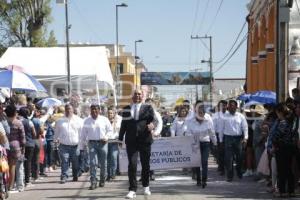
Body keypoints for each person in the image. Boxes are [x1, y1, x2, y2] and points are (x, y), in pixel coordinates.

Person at [118, 89, 155, 199]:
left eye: (139, 94)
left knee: (145, 164)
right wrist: (120, 139)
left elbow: (154, 120)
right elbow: (123, 125)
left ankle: (146, 186)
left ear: (142, 96)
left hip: (145, 140)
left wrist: (152, 125)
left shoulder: (148, 108)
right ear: (132, 96)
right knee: (132, 165)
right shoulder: (126, 109)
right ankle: (132, 189)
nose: (137, 96)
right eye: (135, 94)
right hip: (131, 141)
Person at [80, 104, 112, 190]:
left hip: (103, 143)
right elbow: (83, 134)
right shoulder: (86, 121)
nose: (94, 111)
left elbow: (110, 130)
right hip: (92, 144)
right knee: (93, 163)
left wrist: (106, 137)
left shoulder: (104, 120)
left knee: (103, 163)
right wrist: (82, 146)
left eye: (96, 109)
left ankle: (102, 179)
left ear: (99, 110)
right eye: (92, 109)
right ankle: (93, 181)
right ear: (90, 110)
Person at [186, 100, 217, 188]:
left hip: (205, 143)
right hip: (195, 144)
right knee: (197, 162)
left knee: (204, 161)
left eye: (201, 110)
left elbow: (212, 132)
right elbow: (188, 133)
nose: (200, 113)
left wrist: (215, 143)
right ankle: (198, 179)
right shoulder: (191, 120)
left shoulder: (208, 119)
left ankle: (204, 180)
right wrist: (191, 140)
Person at [219, 99, 248, 182]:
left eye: (233, 106)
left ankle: (239, 171)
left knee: (239, 157)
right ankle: (230, 175)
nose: (231, 107)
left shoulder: (241, 116)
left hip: (238, 139)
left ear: (236, 107)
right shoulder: (224, 117)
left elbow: (245, 127)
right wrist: (221, 141)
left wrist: (245, 138)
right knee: (229, 158)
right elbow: (221, 129)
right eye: (230, 106)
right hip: (228, 138)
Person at [54, 104, 83, 184]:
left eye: (70, 109)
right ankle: (64, 176)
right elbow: (56, 132)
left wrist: (82, 145)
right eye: (66, 109)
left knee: (75, 162)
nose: (68, 111)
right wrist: (55, 140)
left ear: (73, 110)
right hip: (63, 145)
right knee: (64, 161)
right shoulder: (59, 121)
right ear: (64, 110)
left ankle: (75, 175)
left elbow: (81, 134)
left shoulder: (79, 120)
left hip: (75, 146)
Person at [272, 103, 295, 197]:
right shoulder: (290, 122)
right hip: (288, 148)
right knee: (288, 170)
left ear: (280, 112)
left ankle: (282, 191)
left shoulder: (283, 123)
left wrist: (273, 143)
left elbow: (277, 136)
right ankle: (291, 190)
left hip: (282, 148)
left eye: (277, 112)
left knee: (281, 170)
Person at [5, 105, 26, 192]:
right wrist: (23, 147)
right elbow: (22, 137)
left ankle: (5, 185)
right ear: (14, 112)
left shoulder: (3, 122)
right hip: (16, 146)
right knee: (12, 166)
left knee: (5, 166)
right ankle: (11, 186)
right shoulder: (18, 122)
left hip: (5, 145)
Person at [212, 100, 227, 175]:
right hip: (218, 135)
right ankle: (221, 167)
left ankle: (226, 167)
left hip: (227, 136)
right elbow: (213, 128)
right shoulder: (215, 116)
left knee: (227, 153)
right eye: (221, 106)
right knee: (220, 152)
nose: (223, 107)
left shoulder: (229, 114)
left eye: (224, 105)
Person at [106, 106, 122, 181]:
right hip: (106, 142)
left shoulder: (119, 120)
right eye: (109, 113)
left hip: (114, 141)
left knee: (114, 157)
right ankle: (108, 174)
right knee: (108, 159)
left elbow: (121, 130)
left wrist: (121, 140)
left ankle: (113, 173)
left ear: (114, 113)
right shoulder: (105, 121)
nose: (110, 114)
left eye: (112, 113)